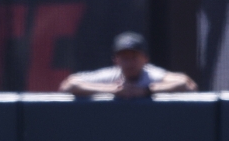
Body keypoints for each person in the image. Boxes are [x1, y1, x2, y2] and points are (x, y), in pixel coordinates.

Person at [60, 31, 197, 98]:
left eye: (134, 57)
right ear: (116, 60)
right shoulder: (111, 75)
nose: (129, 62)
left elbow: (187, 85)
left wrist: (145, 91)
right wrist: (113, 89)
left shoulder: (151, 74)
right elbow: (68, 85)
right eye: (124, 58)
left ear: (145, 59)